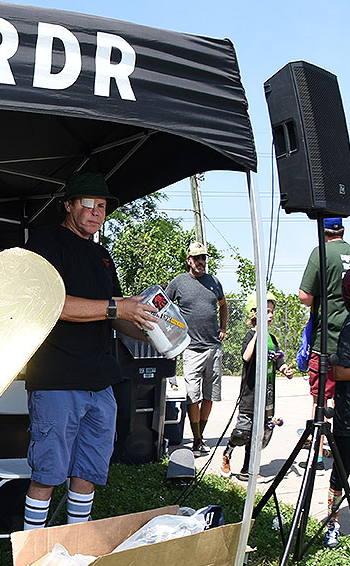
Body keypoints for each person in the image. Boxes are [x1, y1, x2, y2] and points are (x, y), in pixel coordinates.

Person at [21, 171, 157, 530]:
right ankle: (32, 556)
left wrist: (152, 331)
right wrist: (118, 307)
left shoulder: (102, 256)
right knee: (48, 474)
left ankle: (76, 545)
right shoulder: (46, 242)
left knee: (89, 473)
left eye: (102, 206)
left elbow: (116, 318)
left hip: (101, 382)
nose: (96, 212)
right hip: (57, 379)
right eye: (88, 204)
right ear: (68, 205)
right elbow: (54, 305)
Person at [222, 293, 293, 481]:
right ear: (255, 314)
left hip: (266, 395)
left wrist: (285, 368)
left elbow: (278, 359)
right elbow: (246, 357)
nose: (270, 315)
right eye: (266, 312)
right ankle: (228, 451)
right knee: (242, 432)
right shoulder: (250, 335)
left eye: (271, 312)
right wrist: (257, 334)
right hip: (250, 393)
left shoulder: (272, 339)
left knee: (258, 434)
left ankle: (248, 469)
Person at [166, 241, 228, 454]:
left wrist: (223, 327)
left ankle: (200, 437)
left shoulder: (214, 282)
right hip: (191, 349)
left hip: (213, 347)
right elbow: (163, 305)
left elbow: (223, 305)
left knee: (210, 396)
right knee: (193, 395)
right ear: (189, 261)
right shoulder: (179, 282)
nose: (201, 262)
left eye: (203, 258)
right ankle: (196, 437)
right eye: (197, 258)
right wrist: (172, 335)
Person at [299, 218, 350, 419]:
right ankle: (339, 444)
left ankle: (318, 446)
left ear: (323, 231)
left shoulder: (321, 252)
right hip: (348, 338)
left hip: (327, 340)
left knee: (321, 400)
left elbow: (305, 296)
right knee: (344, 397)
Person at [325, 271, 350, 548]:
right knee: (341, 473)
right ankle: (332, 523)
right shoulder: (349, 326)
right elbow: (341, 372)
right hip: (347, 417)